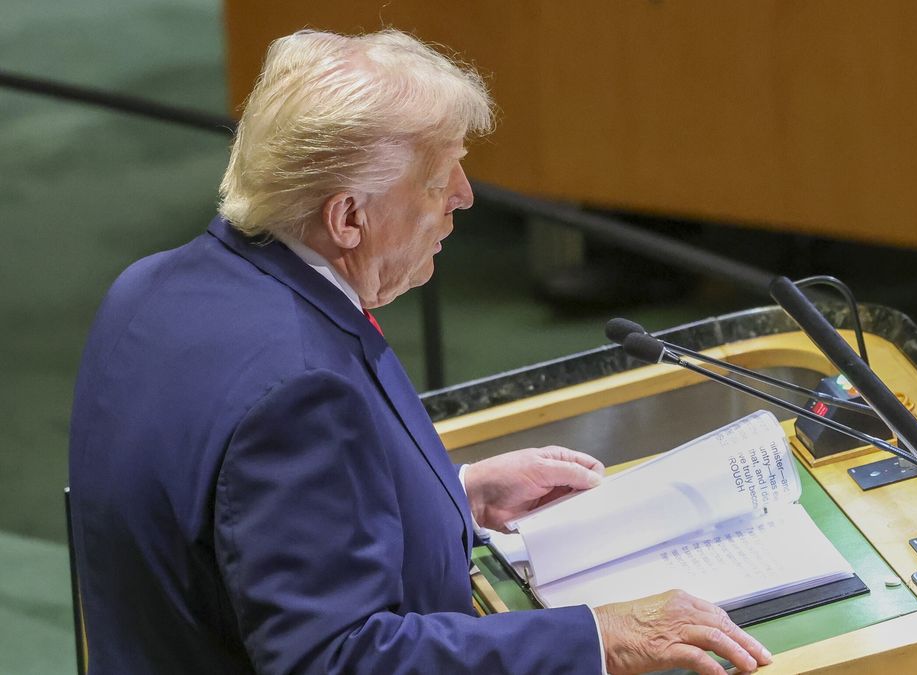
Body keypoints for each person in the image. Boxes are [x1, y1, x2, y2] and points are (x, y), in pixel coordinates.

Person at [68, 29, 773, 674]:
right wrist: (597, 637)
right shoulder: (299, 388)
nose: (463, 198)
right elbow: (337, 657)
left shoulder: (149, 288)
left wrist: (452, 498)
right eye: (438, 181)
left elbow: (235, 526)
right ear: (348, 217)